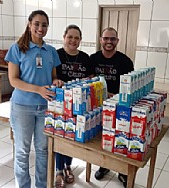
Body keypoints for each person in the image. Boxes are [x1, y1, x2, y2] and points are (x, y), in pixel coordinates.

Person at [5, 10, 64, 188]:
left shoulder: (51, 51)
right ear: (29, 24)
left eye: (44, 25)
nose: (40, 28)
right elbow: (13, 80)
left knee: (43, 150)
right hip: (22, 106)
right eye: (37, 24)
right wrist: (38, 89)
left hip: (46, 107)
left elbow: (53, 76)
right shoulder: (17, 48)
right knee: (22, 151)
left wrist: (56, 81)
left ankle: (41, 185)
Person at [89, 27, 134, 188]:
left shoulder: (125, 61)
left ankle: (122, 171)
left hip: (118, 107)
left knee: (119, 138)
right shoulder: (92, 59)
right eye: (106, 38)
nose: (109, 42)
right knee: (102, 138)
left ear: (117, 41)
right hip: (97, 108)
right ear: (101, 39)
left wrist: (114, 95)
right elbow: (89, 81)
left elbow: (130, 87)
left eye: (112, 39)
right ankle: (104, 165)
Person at [55, 24, 94, 188]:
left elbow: (92, 78)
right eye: (70, 36)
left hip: (79, 105)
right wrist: (55, 81)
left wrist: (87, 82)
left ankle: (68, 166)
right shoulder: (56, 55)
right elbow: (52, 76)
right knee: (59, 134)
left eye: (76, 38)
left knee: (71, 135)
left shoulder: (86, 58)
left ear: (80, 40)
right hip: (60, 103)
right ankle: (58, 170)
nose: (73, 40)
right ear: (64, 37)